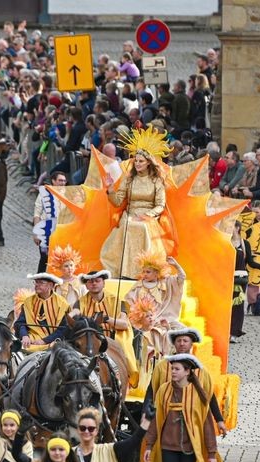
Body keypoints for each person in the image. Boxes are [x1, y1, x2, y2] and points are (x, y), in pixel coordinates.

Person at [101, 131, 172, 279]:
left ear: (148, 163)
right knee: (128, 225)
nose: (138, 164)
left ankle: (144, 271)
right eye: (136, 161)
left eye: (141, 161)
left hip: (148, 217)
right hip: (130, 214)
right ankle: (125, 272)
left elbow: (160, 205)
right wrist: (110, 189)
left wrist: (147, 215)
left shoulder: (156, 181)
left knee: (142, 227)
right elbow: (118, 201)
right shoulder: (129, 179)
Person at [123, 252, 185, 387]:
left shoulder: (166, 283)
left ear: (157, 273)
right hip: (142, 322)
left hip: (164, 319)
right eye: (143, 271)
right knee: (146, 336)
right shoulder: (139, 286)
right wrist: (141, 317)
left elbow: (181, 278)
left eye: (148, 272)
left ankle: (171, 370)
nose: (144, 274)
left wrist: (176, 265)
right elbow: (129, 303)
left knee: (177, 332)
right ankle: (142, 376)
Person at [73, 268, 138, 379]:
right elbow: (74, 316)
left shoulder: (118, 301)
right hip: (88, 341)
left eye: (97, 281)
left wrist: (106, 319)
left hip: (110, 340)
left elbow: (124, 324)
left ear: (103, 283)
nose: (94, 283)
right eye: (90, 281)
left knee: (121, 346)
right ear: (86, 286)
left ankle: (122, 377)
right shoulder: (80, 302)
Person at [13, 273, 71, 352]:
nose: (37, 285)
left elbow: (63, 329)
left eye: (41, 283)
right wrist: (24, 336)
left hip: (52, 340)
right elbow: (20, 323)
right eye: (36, 282)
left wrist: (44, 341)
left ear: (51, 285)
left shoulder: (62, 304)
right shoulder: (29, 301)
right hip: (31, 339)